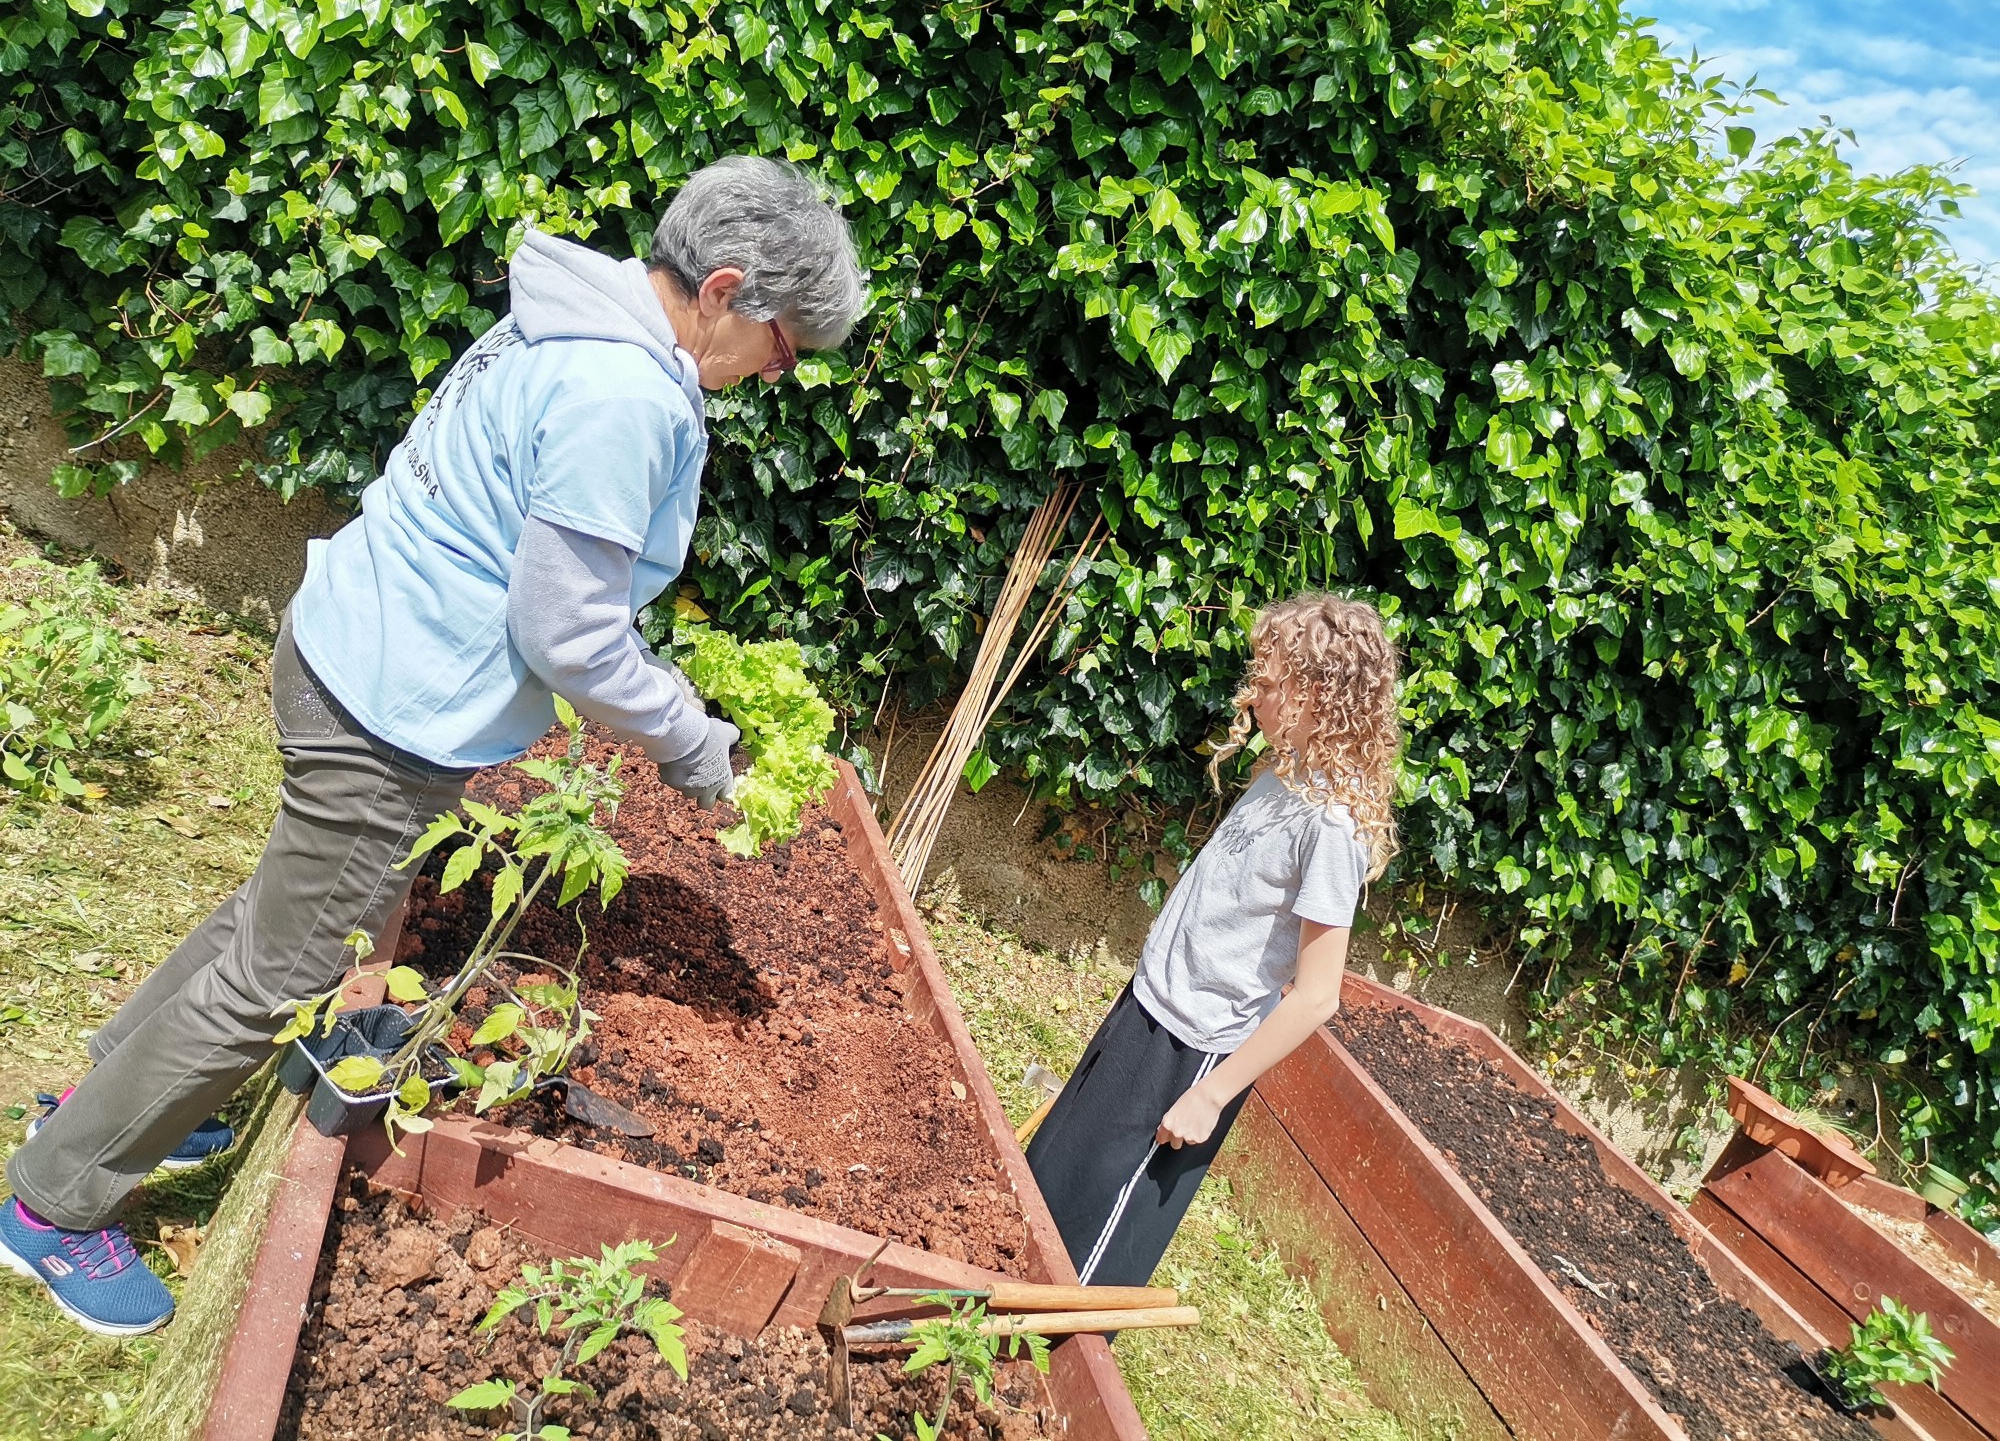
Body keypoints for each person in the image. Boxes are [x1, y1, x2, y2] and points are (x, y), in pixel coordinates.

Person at [0, 156, 864, 1336]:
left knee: (271, 925)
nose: (777, 374)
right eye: (785, 348)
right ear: (724, 290)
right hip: (389, 711)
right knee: (280, 976)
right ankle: (52, 1203)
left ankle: (107, 1097)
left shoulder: (573, 312)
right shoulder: (624, 393)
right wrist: (685, 738)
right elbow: (566, 631)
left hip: (348, 639)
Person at [1026, 594, 1400, 1288]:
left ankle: (1047, 1351)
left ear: (1319, 694)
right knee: (1055, 1175)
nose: (1251, 694)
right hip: (1149, 1008)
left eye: (1270, 681)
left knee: (1088, 1249)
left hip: (1192, 1053)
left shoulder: (1331, 825)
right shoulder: (1285, 774)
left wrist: (1211, 1094)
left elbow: (1317, 996)